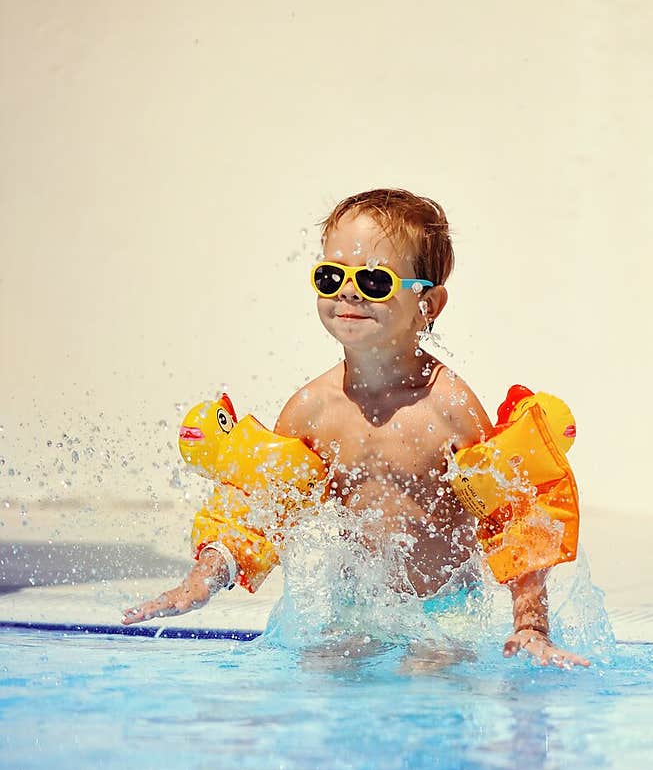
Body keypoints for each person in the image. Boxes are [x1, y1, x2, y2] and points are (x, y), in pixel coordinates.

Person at [122, 188, 589, 669]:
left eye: (373, 279)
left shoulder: (449, 409)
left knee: (431, 671)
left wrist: (531, 626)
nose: (348, 291)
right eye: (331, 277)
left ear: (428, 301)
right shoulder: (311, 411)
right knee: (325, 667)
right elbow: (256, 512)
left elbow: (511, 516)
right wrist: (201, 580)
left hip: (443, 616)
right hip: (355, 614)